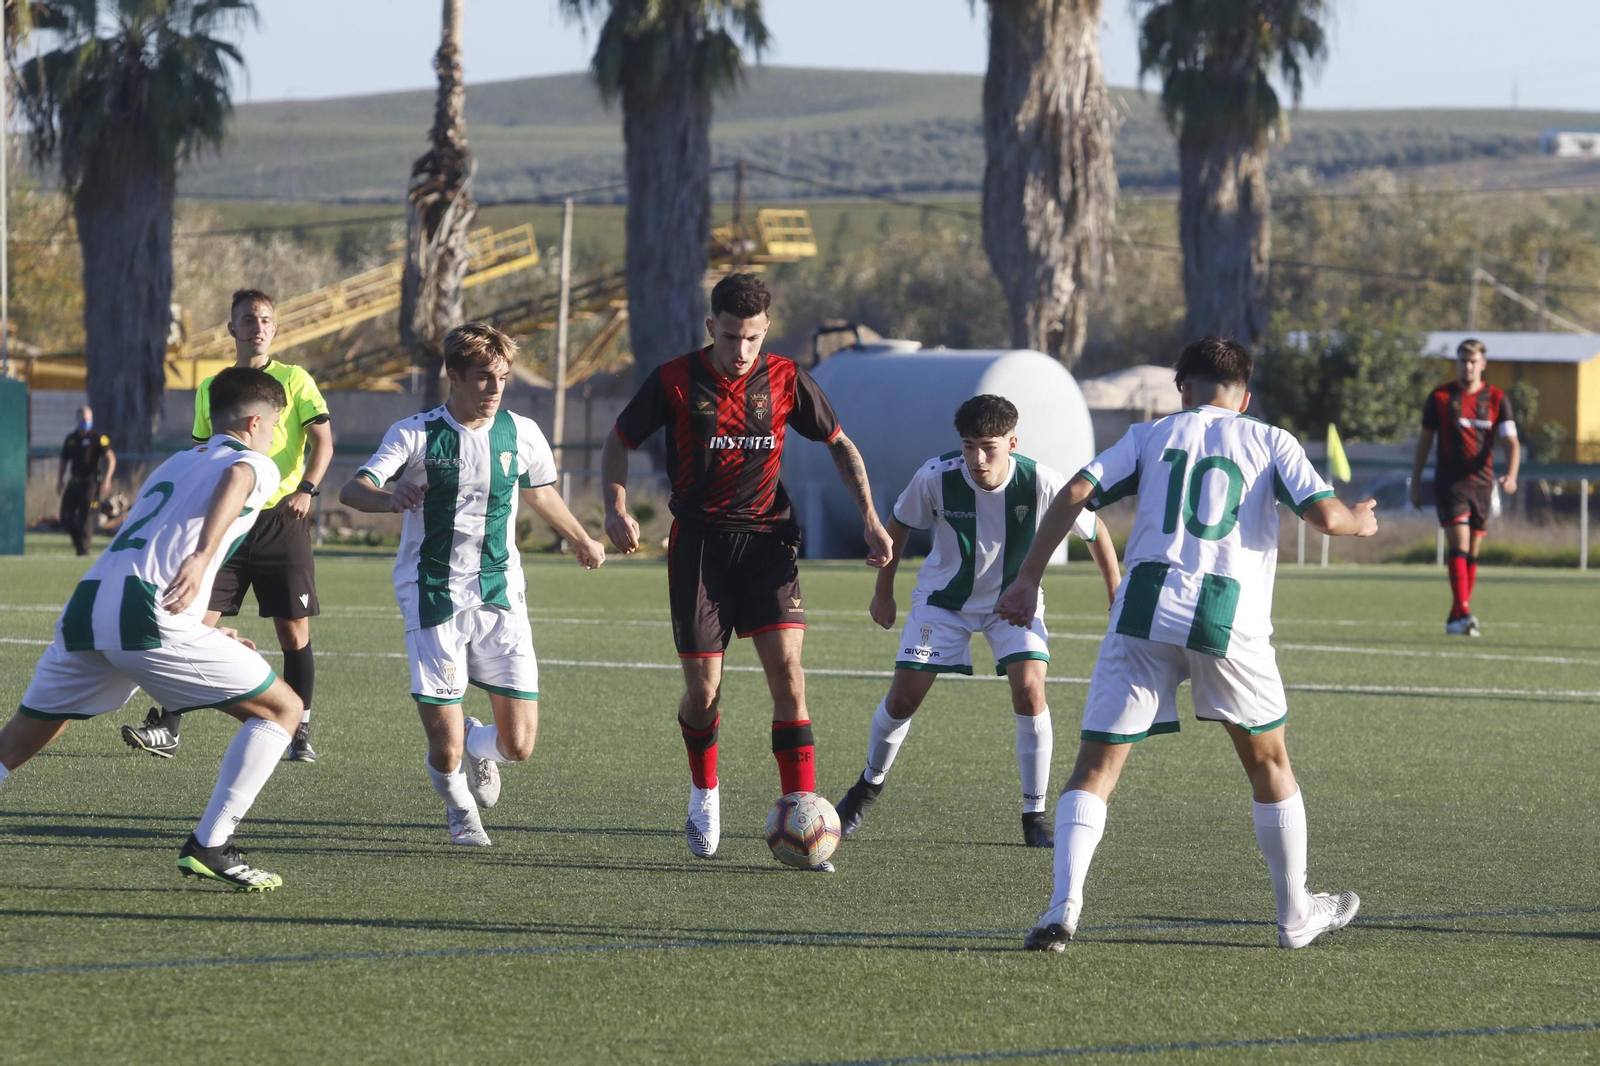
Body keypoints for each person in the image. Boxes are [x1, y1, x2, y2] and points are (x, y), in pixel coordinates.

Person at [996, 338, 1378, 951]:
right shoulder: (1270, 439)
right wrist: (1361, 519)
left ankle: (1062, 909)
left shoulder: (1151, 434)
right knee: (1269, 763)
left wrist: (1026, 579)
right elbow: (1328, 519)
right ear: (1245, 398)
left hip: (1143, 607)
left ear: (1183, 388)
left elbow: (1073, 494)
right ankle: (1295, 916)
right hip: (1227, 616)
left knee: (1095, 767)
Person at [601, 272, 893, 865]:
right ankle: (704, 789)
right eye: (731, 336)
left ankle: (802, 810)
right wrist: (615, 508)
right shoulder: (675, 379)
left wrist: (870, 517)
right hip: (700, 548)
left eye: (753, 338)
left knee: (789, 674)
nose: (741, 350)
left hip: (767, 543)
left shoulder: (786, 378)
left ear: (766, 331)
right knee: (703, 692)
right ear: (712, 327)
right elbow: (618, 440)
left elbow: (839, 443)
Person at [1, 368, 305, 890]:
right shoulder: (255, 462)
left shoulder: (177, 461)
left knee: (18, 740)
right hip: (146, 613)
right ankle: (211, 845)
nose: (275, 436)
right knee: (283, 709)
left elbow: (156, 542)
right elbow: (239, 477)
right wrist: (203, 556)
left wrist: (203, 629)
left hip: (91, 603)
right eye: (276, 425)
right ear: (256, 422)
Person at [339, 323, 606, 847]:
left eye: (502, 377)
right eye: (483, 377)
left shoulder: (521, 432)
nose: (495, 388)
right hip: (432, 591)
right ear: (455, 376)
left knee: (519, 745)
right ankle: (460, 810)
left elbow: (541, 492)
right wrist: (388, 499)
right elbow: (354, 489)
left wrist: (581, 538)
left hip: (501, 592)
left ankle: (476, 744)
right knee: (445, 749)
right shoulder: (415, 433)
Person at [834, 394, 1121, 847]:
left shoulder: (1041, 481)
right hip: (943, 601)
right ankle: (867, 787)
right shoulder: (935, 476)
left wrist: (1115, 594)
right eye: (969, 446)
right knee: (903, 698)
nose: (977, 459)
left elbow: (1095, 530)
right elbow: (899, 525)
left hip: (1013, 603)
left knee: (1030, 690)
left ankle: (1034, 815)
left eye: (988, 447)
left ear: (1012, 443)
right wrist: (883, 593)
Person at [122, 289, 333, 762]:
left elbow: (324, 442)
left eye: (266, 319)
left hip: (281, 521)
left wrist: (307, 489)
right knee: (190, 622)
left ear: (275, 328)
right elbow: (204, 453)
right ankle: (168, 726)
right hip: (230, 521)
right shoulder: (213, 387)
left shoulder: (295, 379)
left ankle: (298, 730)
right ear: (232, 329)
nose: (258, 327)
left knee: (293, 634)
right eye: (248, 319)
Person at [1409, 338, 1519, 637]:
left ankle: (1456, 616)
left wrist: (1511, 475)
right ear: (1457, 363)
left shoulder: (1497, 398)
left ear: (1483, 364)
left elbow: (1511, 442)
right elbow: (1424, 442)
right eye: (1462, 361)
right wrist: (1416, 483)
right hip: (1450, 483)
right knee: (1459, 544)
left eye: (1473, 361)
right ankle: (1466, 612)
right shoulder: (1441, 397)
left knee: (1472, 551)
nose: (1467, 366)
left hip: (1483, 485)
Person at [58, 405, 116, 556]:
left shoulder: (98, 438)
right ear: (77, 419)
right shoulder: (71, 439)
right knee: (66, 516)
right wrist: (60, 479)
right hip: (74, 481)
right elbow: (64, 460)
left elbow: (111, 458)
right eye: (84, 419)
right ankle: (79, 543)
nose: (86, 422)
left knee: (86, 516)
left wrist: (107, 479)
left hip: (91, 483)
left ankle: (83, 549)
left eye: (89, 419)